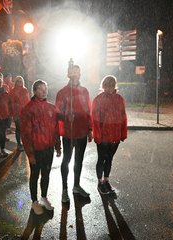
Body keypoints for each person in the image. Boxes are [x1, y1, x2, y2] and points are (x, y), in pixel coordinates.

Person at [21, 80, 61, 215]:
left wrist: (58, 146)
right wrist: (30, 154)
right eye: (41, 89)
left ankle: (44, 197)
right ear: (34, 91)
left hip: (48, 148)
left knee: (46, 174)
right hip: (36, 150)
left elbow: (56, 128)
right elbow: (25, 135)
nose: (44, 91)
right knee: (34, 176)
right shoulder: (28, 109)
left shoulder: (51, 107)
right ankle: (34, 202)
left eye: (46, 88)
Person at [55, 65, 92, 203]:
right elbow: (56, 113)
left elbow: (89, 111)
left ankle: (76, 186)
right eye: (73, 72)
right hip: (69, 133)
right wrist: (65, 117)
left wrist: (89, 130)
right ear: (68, 74)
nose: (75, 74)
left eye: (77, 71)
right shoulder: (63, 92)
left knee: (79, 161)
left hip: (82, 132)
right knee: (67, 160)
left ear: (80, 73)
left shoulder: (85, 91)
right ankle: (64, 190)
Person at [92, 75, 127, 194]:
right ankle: (100, 182)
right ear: (103, 86)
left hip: (115, 135)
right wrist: (97, 135)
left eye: (112, 85)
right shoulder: (98, 99)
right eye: (107, 85)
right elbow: (95, 119)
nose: (110, 88)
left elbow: (123, 117)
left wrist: (123, 133)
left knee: (109, 158)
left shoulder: (119, 99)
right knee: (101, 158)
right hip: (103, 135)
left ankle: (106, 180)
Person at [10, 76, 30, 151]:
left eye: (21, 81)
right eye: (18, 81)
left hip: (25, 113)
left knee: (25, 129)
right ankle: (19, 144)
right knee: (18, 129)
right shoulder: (13, 91)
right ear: (16, 82)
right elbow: (11, 103)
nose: (20, 82)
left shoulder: (25, 90)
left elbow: (28, 101)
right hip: (17, 113)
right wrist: (13, 114)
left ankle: (24, 143)